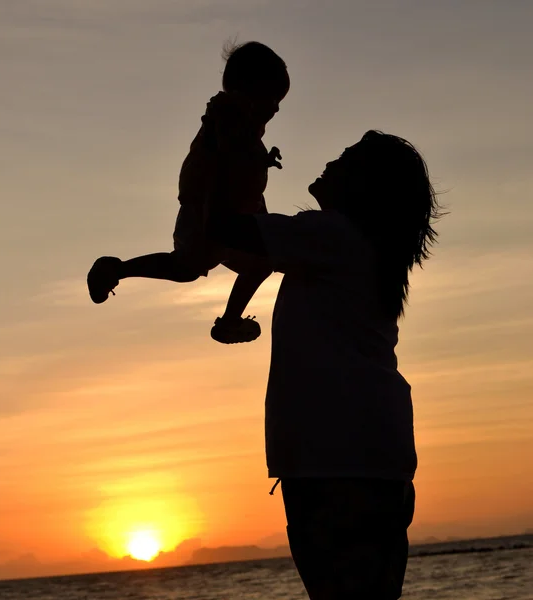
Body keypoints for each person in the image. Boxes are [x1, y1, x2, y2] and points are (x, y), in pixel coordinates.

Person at [206, 129, 442, 599]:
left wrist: (222, 155)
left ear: (363, 185)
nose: (331, 162)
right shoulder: (354, 246)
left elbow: (226, 229)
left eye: (346, 159)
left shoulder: (332, 234)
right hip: (366, 459)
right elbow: (253, 238)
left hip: (335, 462)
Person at [86, 41, 290, 344]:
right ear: (247, 88)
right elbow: (225, 158)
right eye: (272, 97)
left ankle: (229, 321)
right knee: (187, 267)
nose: (275, 108)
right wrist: (252, 162)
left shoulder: (241, 123)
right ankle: (117, 269)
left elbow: (236, 158)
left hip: (231, 215)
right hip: (209, 213)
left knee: (255, 262)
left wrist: (261, 160)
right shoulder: (228, 114)